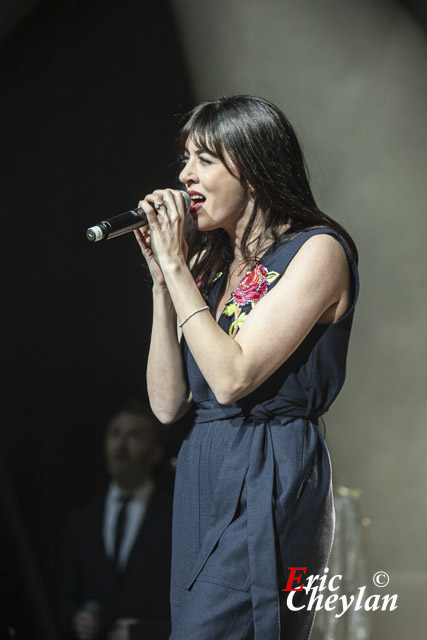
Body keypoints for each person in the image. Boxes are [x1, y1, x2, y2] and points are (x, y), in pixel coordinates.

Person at [134, 95, 359, 640]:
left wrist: (175, 267)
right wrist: (166, 285)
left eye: (205, 160)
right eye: (185, 158)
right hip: (205, 467)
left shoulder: (317, 251)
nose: (185, 175)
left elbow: (234, 377)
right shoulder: (209, 268)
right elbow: (167, 405)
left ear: (255, 172)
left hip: (271, 465)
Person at [62, 403, 173, 640]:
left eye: (134, 435)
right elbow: (62, 596)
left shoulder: (174, 518)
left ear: (155, 452)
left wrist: (148, 632)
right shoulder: (80, 521)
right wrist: (75, 618)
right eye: (115, 434)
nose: (121, 445)